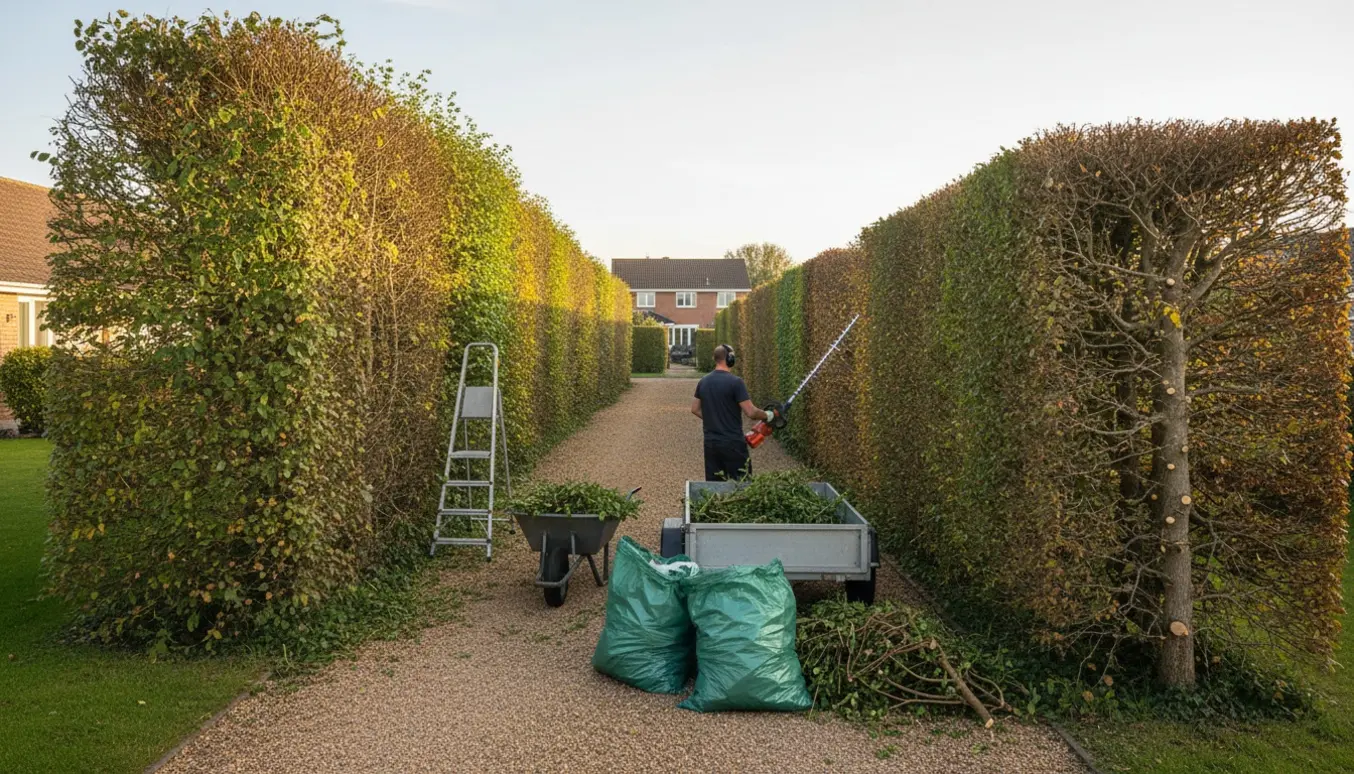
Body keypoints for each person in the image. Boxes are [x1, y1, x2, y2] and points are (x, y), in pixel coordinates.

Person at [691, 344, 777, 481]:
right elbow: (751, 412)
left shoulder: (703, 381)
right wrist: (769, 415)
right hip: (733, 443)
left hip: (711, 444)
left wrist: (713, 419)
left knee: (714, 486)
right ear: (730, 359)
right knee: (741, 483)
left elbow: (694, 409)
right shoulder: (736, 382)